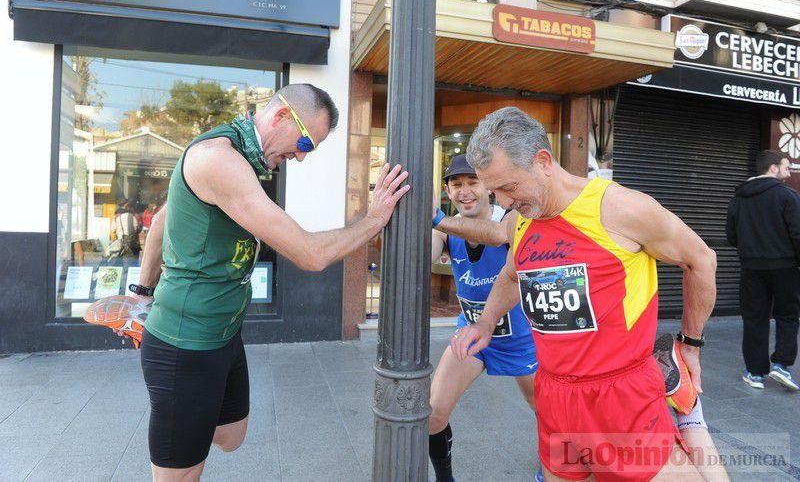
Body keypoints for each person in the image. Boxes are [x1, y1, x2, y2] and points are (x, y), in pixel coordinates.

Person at [124, 84, 410, 481]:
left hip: (222, 336)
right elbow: (310, 254)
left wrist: (140, 293)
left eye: (311, 149)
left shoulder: (241, 155)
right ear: (280, 117)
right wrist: (375, 220)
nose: (301, 156)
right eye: (305, 141)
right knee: (181, 474)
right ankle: (177, 428)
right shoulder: (216, 159)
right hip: (183, 344)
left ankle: (183, 425)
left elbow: (160, 222)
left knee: (230, 435)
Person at [451, 107, 718, 481]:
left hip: (621, 396)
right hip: (556, 395)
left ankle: (691, 419)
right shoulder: (524, 220)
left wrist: (690, 343)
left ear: (543, 161)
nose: (505, 202)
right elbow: (512, 276)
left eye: (509, 187)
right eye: (495, 191)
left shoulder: (619, 208)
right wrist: (485, 322)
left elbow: (701, 260)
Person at [429, 155, 538, 482]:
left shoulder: (511, 218)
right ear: (448, 191)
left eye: (472, 182)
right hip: (472, 337)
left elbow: (497, 235)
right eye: (457, 184)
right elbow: (424, 257)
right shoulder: (444, 229)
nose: (465, 191)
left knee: (550, 416)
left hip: (523, 342)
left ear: (488, 187)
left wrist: (436, 218)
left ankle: (553, 471)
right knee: (432, 414)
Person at [726, 149, 800, 391]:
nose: (788, 173)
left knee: (755, 318)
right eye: (786, 167)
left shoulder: (739, 197)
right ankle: (781, 365)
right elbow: (797, 233)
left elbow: (731, 235)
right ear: (773, 168)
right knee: (787, 316)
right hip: (785, 266)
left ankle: (755, 373)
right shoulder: (788, 196)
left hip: (751, 267)